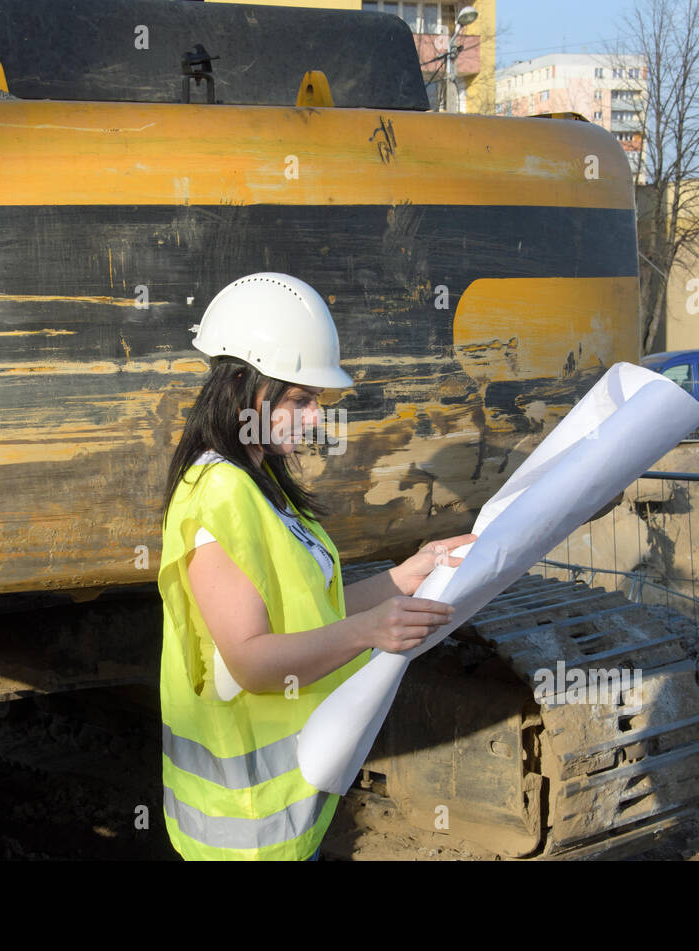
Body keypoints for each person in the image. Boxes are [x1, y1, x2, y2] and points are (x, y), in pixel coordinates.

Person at [157, 272, 476, 860]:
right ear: (240, 386)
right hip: (241, 828)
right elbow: (251, 662)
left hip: (282, 810)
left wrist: (409, 574)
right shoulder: (219, 492)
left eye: (316, 402)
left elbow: (310, 609)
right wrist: (369, 631)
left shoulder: (261, 483)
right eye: (300, 400)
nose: (314, 420)